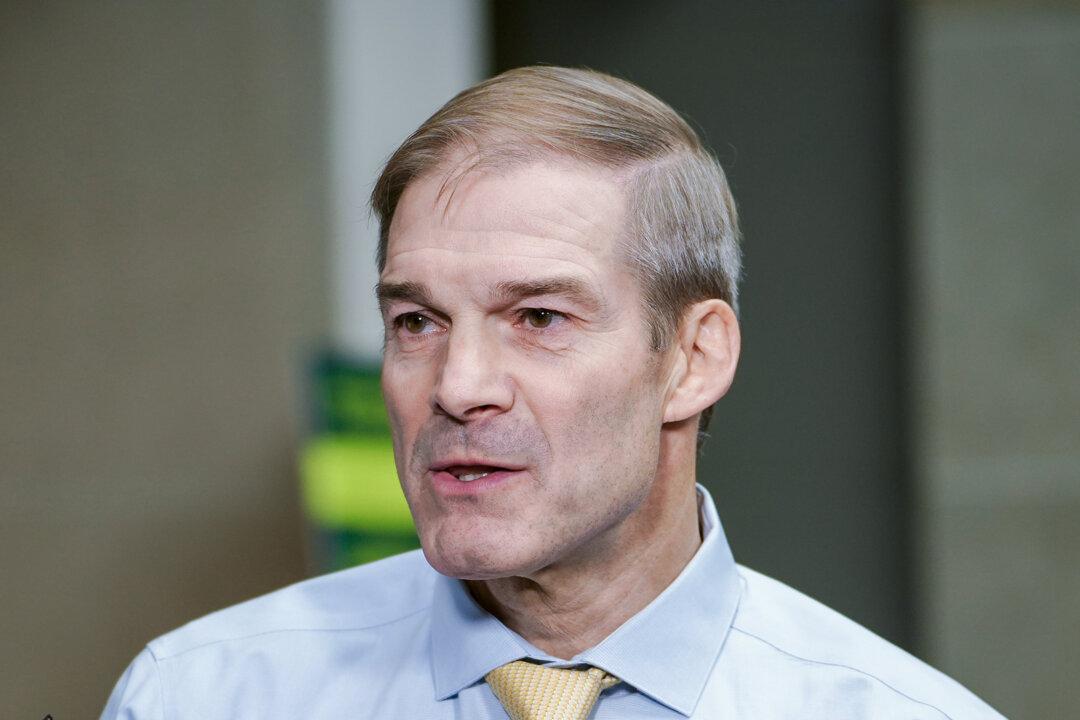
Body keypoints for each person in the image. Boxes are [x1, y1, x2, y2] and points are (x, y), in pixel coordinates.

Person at [101, 66, 1004, 720]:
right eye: (417, 322)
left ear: (694, 359)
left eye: (537, 317)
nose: (457, 388)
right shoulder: (202, 694)